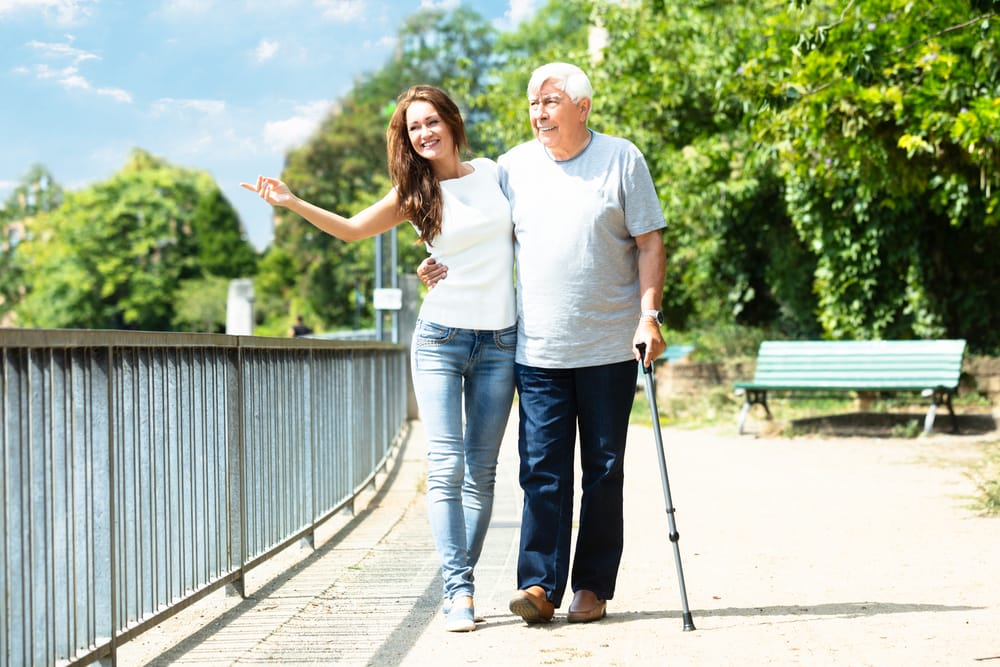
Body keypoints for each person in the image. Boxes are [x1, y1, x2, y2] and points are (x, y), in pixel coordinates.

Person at [241, 85, 516, 633]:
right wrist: (291, 202)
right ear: (407, 138)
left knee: (481, 473)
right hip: (440, 338)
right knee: (446, 464)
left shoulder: (495, 174)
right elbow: (348, 230)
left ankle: (458, 580)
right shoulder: (413, 193)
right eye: (414, 127)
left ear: (451, 122)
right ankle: (458, 591)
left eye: (431, 121)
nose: (424, 133)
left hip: (501, 341)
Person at [418, 62, 666, 624]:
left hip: (608, 346)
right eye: (532, 103)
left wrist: (648, 315)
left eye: (550, 101)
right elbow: (473, 226)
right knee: (542, 471)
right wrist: (435, 262)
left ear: (583, 107)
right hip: (537, 351)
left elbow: (650, 242)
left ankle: (593, 587)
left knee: (603, 469)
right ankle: (539, 585)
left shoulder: (622, 158)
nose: (538, 112)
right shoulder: (511, 167)